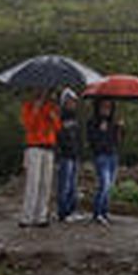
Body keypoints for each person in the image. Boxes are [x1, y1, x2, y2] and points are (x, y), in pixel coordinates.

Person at [18, 89, 60, 226]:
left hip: (49, 147)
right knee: (33, 182)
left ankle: (41, 216)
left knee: (46, 183)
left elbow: (58, 128)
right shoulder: (28, 106)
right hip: (34, 146)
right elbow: (27, 125)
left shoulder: (52, 107)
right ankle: (27, 216)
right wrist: (35, 110)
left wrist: (53, 117)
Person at [86, 97, 122, 225]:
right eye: (103, 106)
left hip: (113, 156)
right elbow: (91, 142)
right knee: (104, 184)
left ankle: (104, 212)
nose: (106, 109)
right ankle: (97, 213)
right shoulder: (92, 122)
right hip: (101, 156)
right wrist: (100, 132)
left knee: (110, 186)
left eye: (108, 106)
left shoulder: (113, 122)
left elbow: (117, 142)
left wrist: (118, 129)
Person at [55, 88, 83, 222]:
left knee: (73, 185)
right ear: (64, 102)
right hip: (64, 156)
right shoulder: (60, 118)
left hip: (74, 155)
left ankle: (72, 210)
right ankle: (62, 212)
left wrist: (79, 151)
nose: (73, 104)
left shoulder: (75, 119)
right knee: (64, 185)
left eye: (74, 102)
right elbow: (59, 137)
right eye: (70, 101)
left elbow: (78, 138)